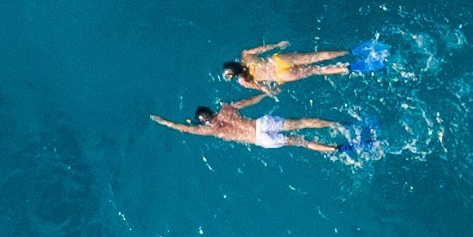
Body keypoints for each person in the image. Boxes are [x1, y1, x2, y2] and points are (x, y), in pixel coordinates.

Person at [154, 100, 377, 164]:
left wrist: (164, 122)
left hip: (259, 139)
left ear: (202, 122)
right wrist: (264, 93)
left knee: (301, 142)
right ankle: (340, 125)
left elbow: (184, 128)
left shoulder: (210, 131)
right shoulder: (225, 109)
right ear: (211, 110)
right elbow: (248, 101)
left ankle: (340, 149)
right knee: (302, 122)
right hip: (261, 124)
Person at [219, 37, 389, 97]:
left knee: (317, 70)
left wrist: (274, 89)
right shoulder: (245, 56)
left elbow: (265, 89)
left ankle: (351, 68)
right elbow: (263, 49)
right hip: (279, 61)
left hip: (281, 76)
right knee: (315, 57)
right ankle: (350, 51)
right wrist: (278, 45)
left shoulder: (243, 81)